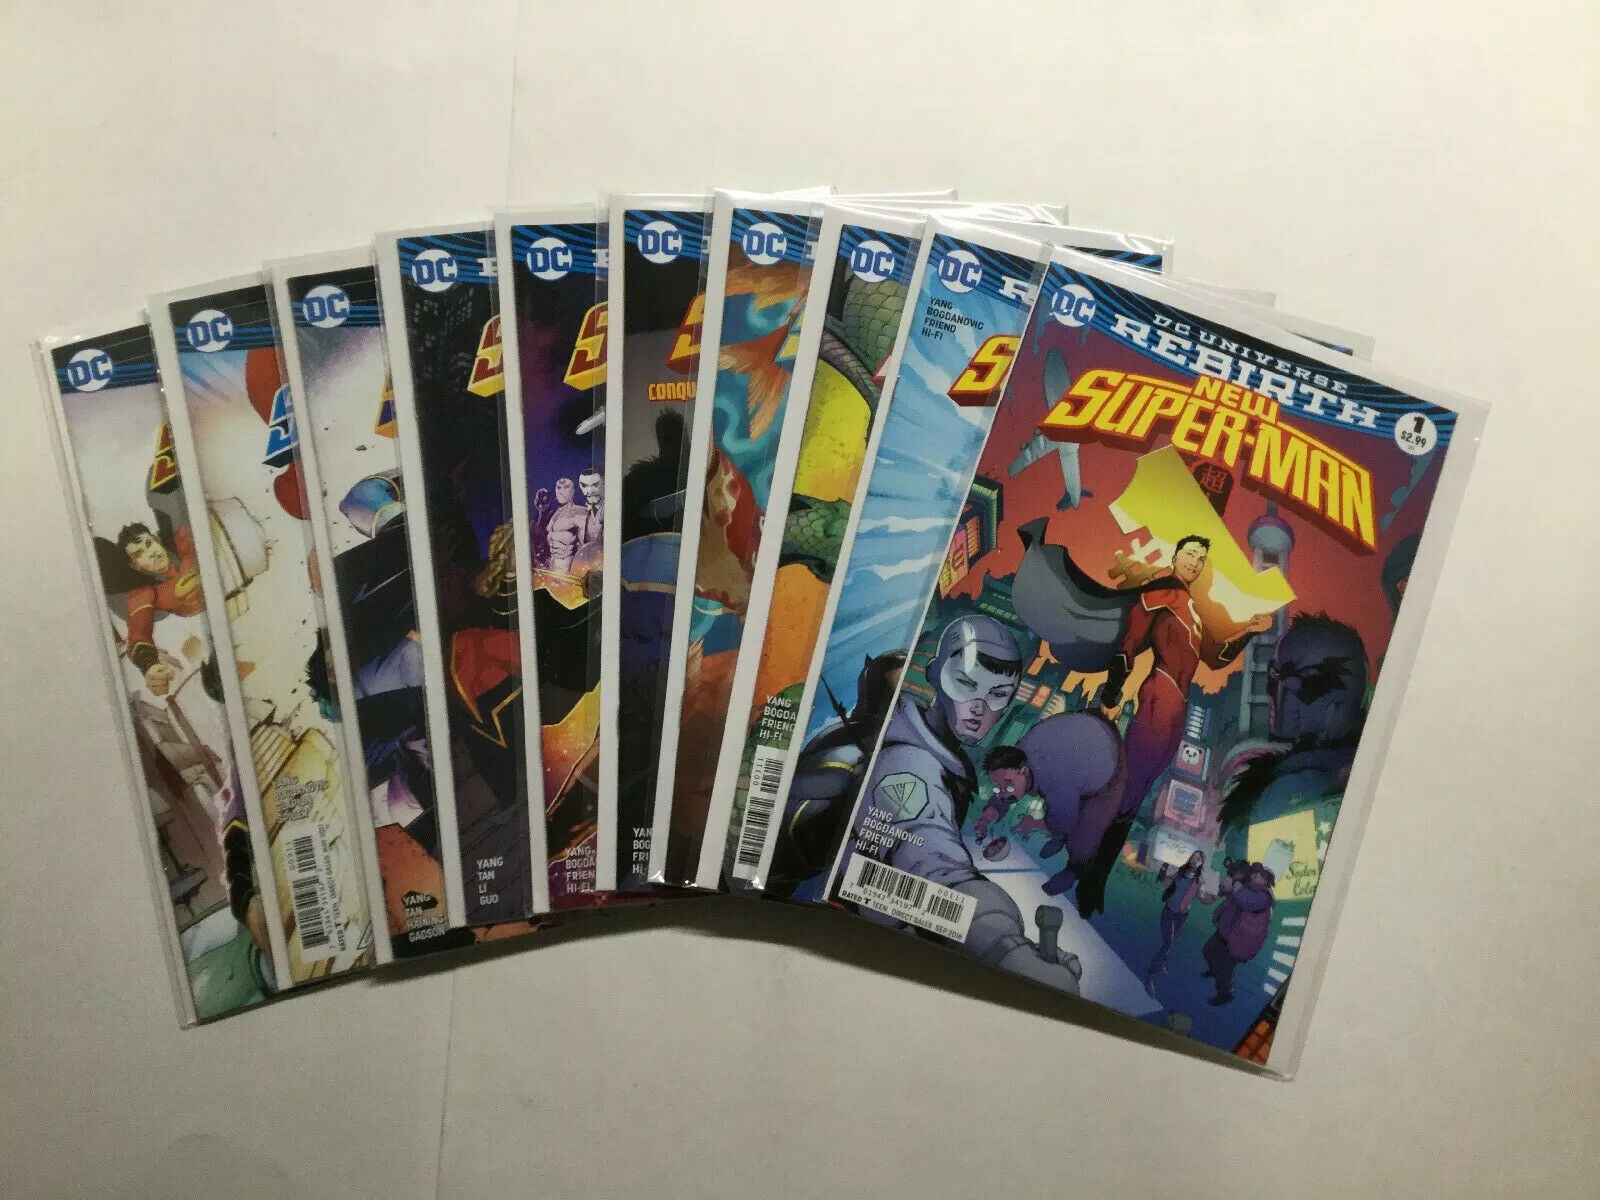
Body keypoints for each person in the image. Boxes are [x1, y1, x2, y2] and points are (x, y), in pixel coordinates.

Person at [854, 616, 1083, 992]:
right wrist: (1007, 951)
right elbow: (933, 865)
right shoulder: (910, 763)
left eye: (998, 694)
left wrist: (1015, 948)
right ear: (934, 675)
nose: (979, 707)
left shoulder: (935, 753)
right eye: (965, 683)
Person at [1202, 861, 1275, 1004]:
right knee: (1208, 950)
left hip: (1238, 940)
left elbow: (1245, 901)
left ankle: (1225, 994)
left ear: (1266, 882)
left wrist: (1236, 885)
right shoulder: (1247, 885)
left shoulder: (1264, 897)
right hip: (1224, 931)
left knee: (1225, 969)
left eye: (1260, 876)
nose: (1256, 876)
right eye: (1255, 874)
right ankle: (1214, 970)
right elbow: (1225, 893)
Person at [1145, 849, 1205, 993]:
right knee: (1168, 944)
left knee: (1170, 943)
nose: (1195, 860)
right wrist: (1163, 869)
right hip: (1169, 911)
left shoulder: (1199, 880)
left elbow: (1202, 898)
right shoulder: (1180, 871)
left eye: (1199, 859)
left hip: (1182, 915)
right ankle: (1150, 975)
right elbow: (1167, 883)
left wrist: (1209, 894)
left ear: (1202, 863)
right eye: (1194, 857)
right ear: (1190, 858)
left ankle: (1160, 964)